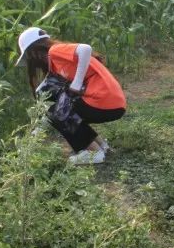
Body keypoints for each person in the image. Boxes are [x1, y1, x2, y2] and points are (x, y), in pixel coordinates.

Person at [15, 26, 127, 165]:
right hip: (113, 103)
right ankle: (102, 147)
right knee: (61, 108)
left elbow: (85, 49)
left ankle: (93, 153)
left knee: (59, 112)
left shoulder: (54, 51)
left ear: (34, 52)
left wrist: (77, 81)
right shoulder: (56, 64)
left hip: (102, 100)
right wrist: (37, 129)